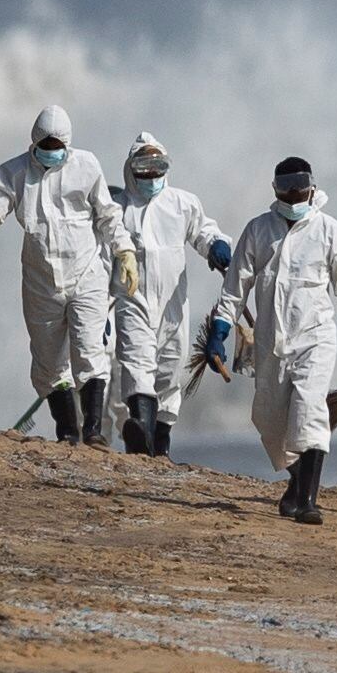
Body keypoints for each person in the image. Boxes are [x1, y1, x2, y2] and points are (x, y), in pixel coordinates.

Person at [0, 104, 137, 447]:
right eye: (45, 147)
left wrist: (124, 251)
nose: (51, 153)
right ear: (33, 144)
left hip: (87, 274)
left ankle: (93, 430)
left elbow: (109, 216)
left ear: (68, 144)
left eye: (57, 147)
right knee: (48, 362)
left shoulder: (86, 166)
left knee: (89, 351)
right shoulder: (15, 173)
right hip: (41, 281)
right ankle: (67, 431)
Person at [203, 157, 337, 525]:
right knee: (269, 420)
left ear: (312, 188)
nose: (295, 195)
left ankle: (309, 502)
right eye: (287, 189)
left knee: (309, 411)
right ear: (276, 190)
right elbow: (235, 289)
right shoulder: (258, 230)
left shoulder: (331, 231)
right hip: (270, 341)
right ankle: (296, 485)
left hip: (315, 338)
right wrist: (220, 330)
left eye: (301, 188)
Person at [107, 132, 233, 457]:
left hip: (173, 306)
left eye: (157, 166)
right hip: (132, 301)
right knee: (137, 365)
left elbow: (204, 232)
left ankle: (157, 448)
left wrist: (216, 248)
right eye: (144, 168)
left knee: (169, 371)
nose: (151, 175)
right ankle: (139, 435)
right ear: (131, 169)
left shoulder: (182, 203)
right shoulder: (118, 208)